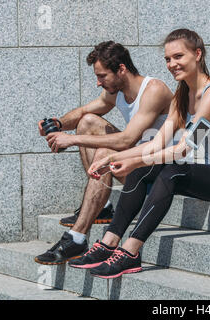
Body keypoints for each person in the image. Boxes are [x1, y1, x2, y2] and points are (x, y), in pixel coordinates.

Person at [68, 29, 210, 279]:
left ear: (198, 54)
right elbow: (155, 144)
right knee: (142, 170)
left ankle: (131, 252)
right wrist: (115, 158)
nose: (172, 64)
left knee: (173, 170)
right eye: (167, 59)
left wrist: (131, 159)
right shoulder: (181, 94)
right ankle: (109, 243)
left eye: (178, 56)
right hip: (208, 173)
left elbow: (183, 149)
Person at [34, 41, 173, 265]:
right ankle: (102, 205)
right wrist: (58, 123)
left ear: (121, 69)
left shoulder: (154, 90)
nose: (98, 82)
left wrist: (72, 140)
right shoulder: (115, 90)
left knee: (103, 153)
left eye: (102, 76)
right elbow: (83, 112)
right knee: (87, 121)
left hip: (161, 170)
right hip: (137, 164)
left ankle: (77, 237)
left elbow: (128, 139)